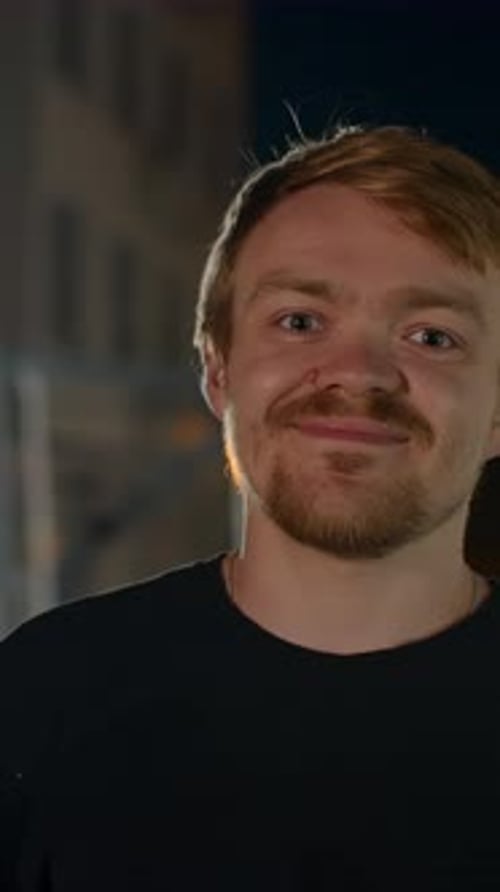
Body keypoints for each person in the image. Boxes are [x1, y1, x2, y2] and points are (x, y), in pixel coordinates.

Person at [2, 124, 500, 891]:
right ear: (218, 371)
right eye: (301, 321)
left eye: (431, 336)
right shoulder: (41, 700)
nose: (357, 374)